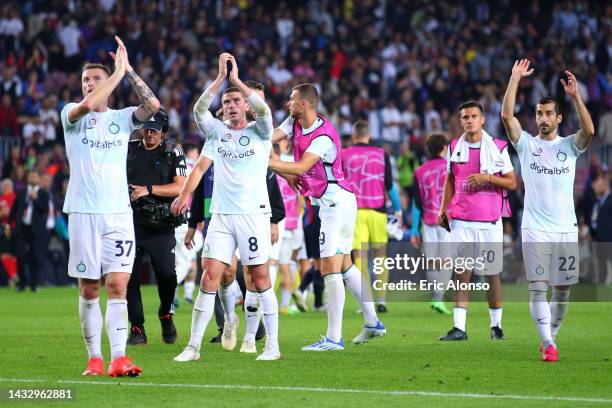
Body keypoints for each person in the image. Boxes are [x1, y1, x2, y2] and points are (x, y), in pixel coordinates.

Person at [61, 36, 160, 377]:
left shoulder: (122, 118)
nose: (89, 84)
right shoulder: (71, 115)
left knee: (118, 286)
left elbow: (153, 107)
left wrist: (128, 71)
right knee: (89, 288)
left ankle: (119, 358)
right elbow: (88, 105)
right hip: (84, 213)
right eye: (86, 80)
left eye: (95, 79)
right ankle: (94, 358)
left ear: (109, 85)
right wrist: (115, 72)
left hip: (118, 214)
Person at [172, 53, 281, 361]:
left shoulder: (261, 132)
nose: (231, 104)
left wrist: (236, 82)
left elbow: (264, 109)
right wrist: (220, 80)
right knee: (210, 275)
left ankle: (271, 346)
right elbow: (198, 112)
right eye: (227, 101)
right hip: (220, 216)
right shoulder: (216, 134)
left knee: (259, 278)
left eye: (236, 101)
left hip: (253, 215)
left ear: (245, 105)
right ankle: (193, 347)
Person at [270, 83, 386, 350]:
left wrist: (267, 161)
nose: (288, 104)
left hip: (336, 202)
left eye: (292, 100)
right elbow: (272, 136)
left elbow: (300, 166)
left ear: (305, 104)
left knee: (329, 268)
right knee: (345, 265)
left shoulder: (323, 136)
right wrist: (261, 144)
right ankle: (372, 322)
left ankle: (334, 338)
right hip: (334, 201)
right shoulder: (295, 122)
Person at [501, 59, 595, 362]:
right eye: (539, 113)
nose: (542, 118)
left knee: (563, 288)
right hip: (535, 227)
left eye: (548, 114)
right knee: (538, 286)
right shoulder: (526, 145)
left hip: (566, 227)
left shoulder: (569, 146)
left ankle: (551, 336)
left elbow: (589, 130)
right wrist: (514, 79)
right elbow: (506, 115)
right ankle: (547, 343)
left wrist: (576, 96)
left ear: (558, 118)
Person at [438, 100, 516, 342]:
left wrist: (488, 177)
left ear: (482, 120)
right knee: (461, 273)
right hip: (462, 221)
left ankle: (496, 326)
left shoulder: (498, 147)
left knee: (492, 275)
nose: (469, 120)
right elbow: (450, 180)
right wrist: (443, 208)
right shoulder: (453, 146)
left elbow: (512, 182)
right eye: (465, 117)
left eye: (473, 116)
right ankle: (459, 328)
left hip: (489, 222)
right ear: (460, 121)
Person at [125, 108, 187, 346]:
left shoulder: (173, 152)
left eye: (154, 130)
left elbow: (180, 187)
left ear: (163, 132)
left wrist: (147, 189)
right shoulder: (130, 150)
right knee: (129, 276)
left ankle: (165, 314)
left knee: (167, 276)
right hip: (131, 225)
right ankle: (137, 327)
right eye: (146, 130)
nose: (149, 135)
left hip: (161, 226)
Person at [341, 120, 402, 313]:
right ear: (369, 136)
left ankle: (366, 302)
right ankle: (382, 300)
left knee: (359, 258)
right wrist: (398, 210)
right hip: (378, 211)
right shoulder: (382, 154)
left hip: (355, 212)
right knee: (380, 257)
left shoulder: (344, 154)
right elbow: (390, 186)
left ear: (353, 136)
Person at [410, 133, 452, 314]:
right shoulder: (452, 169)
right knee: (447, 261)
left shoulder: (419, 171)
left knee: (432, 261)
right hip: (448, 219)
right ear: (444, 148)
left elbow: (417, 203)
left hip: (428, 221)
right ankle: (439, 298)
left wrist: (413, 229)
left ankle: (436, 296)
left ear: (428, 149)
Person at [9, 170, 49, 292]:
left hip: (36, 230)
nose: (32, 178)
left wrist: (35, 199)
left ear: (38, 179)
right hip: (22, 228)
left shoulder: (43, 194)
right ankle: (22, 284)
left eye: (35, 176)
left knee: (35, 258)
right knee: (20, 256)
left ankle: (33, 285)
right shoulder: (21, 193)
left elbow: (45, 209)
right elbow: (14, 210)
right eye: (31, 176)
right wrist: (7, 225)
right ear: (27, 178)